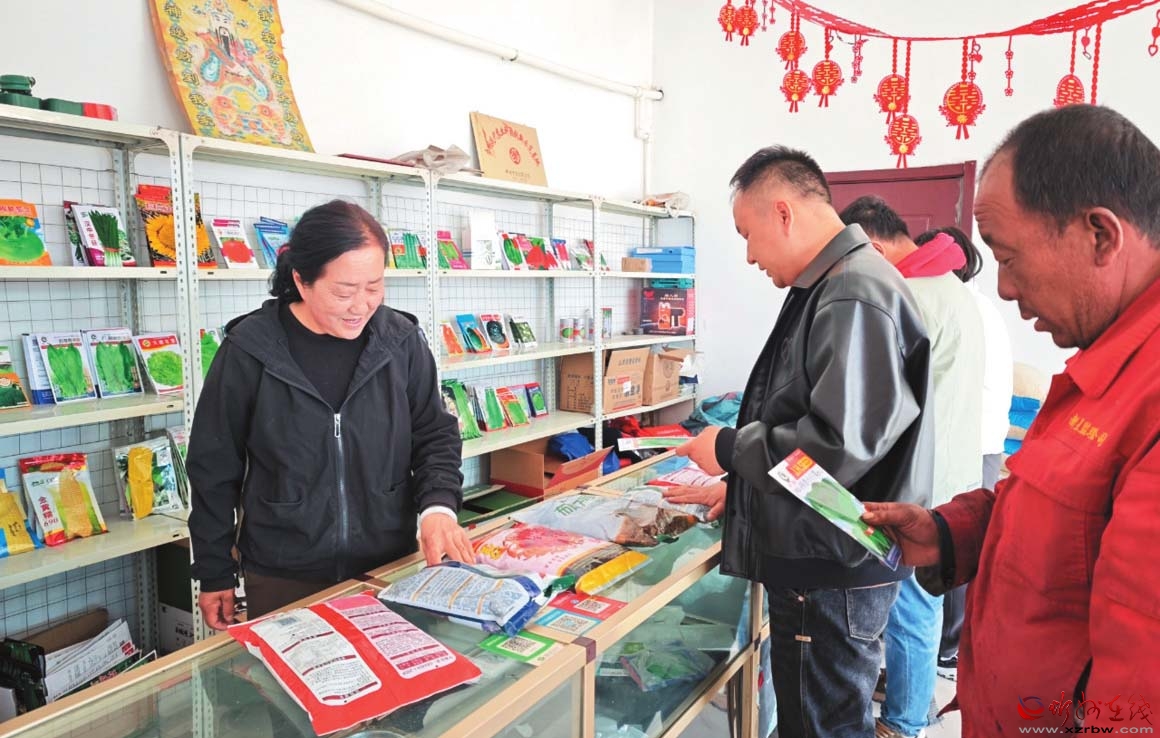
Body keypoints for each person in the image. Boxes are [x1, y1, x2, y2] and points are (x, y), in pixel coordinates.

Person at [862, 105, 1160, 735]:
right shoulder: (1105, 363)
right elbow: (1069, 519)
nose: (1002, 288)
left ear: (1100, 236)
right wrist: (950, 532)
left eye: (1009, 256)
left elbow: (1137, 709)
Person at [675, 146, 935, 738]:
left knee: (823, 726)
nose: (749, 256)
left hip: (830, 566)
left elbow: (835, 447)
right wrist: (744, 489)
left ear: (784, 213)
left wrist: (729, 448)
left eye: (748, 235)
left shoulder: (851, 292)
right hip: (829, 555)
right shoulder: (834, 284)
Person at [188, 199, 472, 629]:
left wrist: (438, 508)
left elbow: (434, 434)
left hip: (388, 565)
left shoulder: (400, 342)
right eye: (344, 291)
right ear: (301, 281)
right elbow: (213, 467)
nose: (361, 305)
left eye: (374, 287)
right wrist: (214, 571)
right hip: (283, 573)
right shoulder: (250, 349)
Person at [839, 197, 985, 738]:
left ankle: (904, 722)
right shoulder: (949, 288)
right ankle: (912, 705)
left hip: (923, 479)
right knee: (921, 604)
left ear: (873, 250)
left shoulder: (911, 298)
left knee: (912, 608)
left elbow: (876, 407)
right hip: (949, 468)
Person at [914, 225, 1014, 682]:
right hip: (982, 438)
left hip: (968, 440)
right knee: (959, 540)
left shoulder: (951, 305)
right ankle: (949, 644)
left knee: (953, 542)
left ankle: (948, 646)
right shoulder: (978, 306)